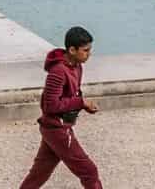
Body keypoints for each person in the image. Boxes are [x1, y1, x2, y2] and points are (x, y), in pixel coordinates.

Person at [18, 26, 101, 189]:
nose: (89, 54)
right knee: (89, 172)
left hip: (54, 128)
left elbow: (70, 96)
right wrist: (81, 103)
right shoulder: (57, 72)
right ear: (72, 49)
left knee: (39, 174)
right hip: (57, 129)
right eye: (85, 50)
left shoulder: (77, 66)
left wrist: (82, 105)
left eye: (90, 50)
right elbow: (51, 106)